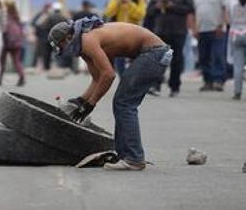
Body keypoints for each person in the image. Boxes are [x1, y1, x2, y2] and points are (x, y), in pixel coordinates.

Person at [49, 17, 172, 170]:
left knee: (124, 103)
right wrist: (80, 101)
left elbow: (108, 75)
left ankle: (133, 159)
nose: (65, 53)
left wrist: (90, 104)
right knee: (122, 103)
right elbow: (97, 78)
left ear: (68, 38)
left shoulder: (87, 40)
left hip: (155, 52)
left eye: (62, 47)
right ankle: (126, 156)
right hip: (153, 53)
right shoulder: (81, 45)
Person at [145, 0, 194, 97]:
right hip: (160, 31)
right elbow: (149, 11)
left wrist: (173, 6)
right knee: (159, 59)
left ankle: (174, 86)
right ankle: (156, 85)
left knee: (177, 60)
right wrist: (157, 6)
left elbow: (190, 9)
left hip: (178, 31)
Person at [192, 0, 229, 92]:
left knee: (218, 55)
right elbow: (194, 13)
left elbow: (225, 9)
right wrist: (194, 28)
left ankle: (218, 80)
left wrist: (222, 24)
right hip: (202, 30)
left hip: (217, 29)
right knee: (203, 57)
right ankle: (208, 81)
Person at [104, 0, 146, 76]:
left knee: (134, 55)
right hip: (119, 31)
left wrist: (130, 3)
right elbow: (109, 12)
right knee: (119, 56)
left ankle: (133, 77)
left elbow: (140, 14)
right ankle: (122, 78)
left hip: (134, 31)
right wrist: (118, 2)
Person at [0, 0, 26, 87]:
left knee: (1, 61)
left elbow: (2, 28)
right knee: (17, 61)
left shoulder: (3, 15)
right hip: (17, 41)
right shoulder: (16, 15)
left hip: (5, 40)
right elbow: (22, 29)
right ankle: (22, 76)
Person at [31, 3, 52, 69]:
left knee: (46, 53)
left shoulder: (50, 15)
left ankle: (46, 67)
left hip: (47, 37)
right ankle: (34, 66)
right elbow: (33, 23)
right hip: (40, 36)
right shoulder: (40, 14)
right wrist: (39, 26)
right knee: (37, 52)